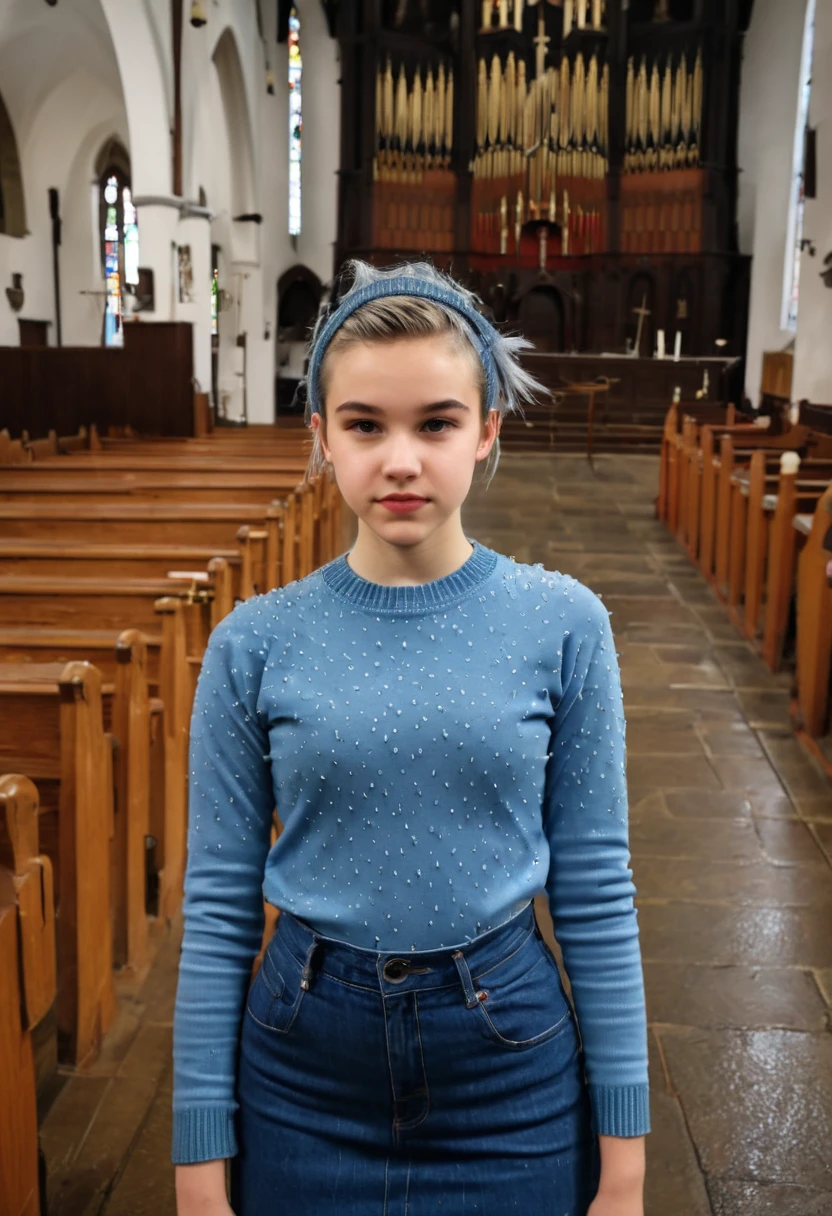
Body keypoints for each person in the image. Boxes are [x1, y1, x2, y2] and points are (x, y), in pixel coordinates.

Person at [172, 259, 651, 1216]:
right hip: (303, 1066)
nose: (401, 459)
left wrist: (625, 1163)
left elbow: (595, 890)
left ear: (487, 433)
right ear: (321, 436)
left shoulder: (564, 623)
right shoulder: (253, 642)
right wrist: (197, 1164)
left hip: (508, 1070)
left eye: (436, 422)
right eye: (364, 425)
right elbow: (220, 908)